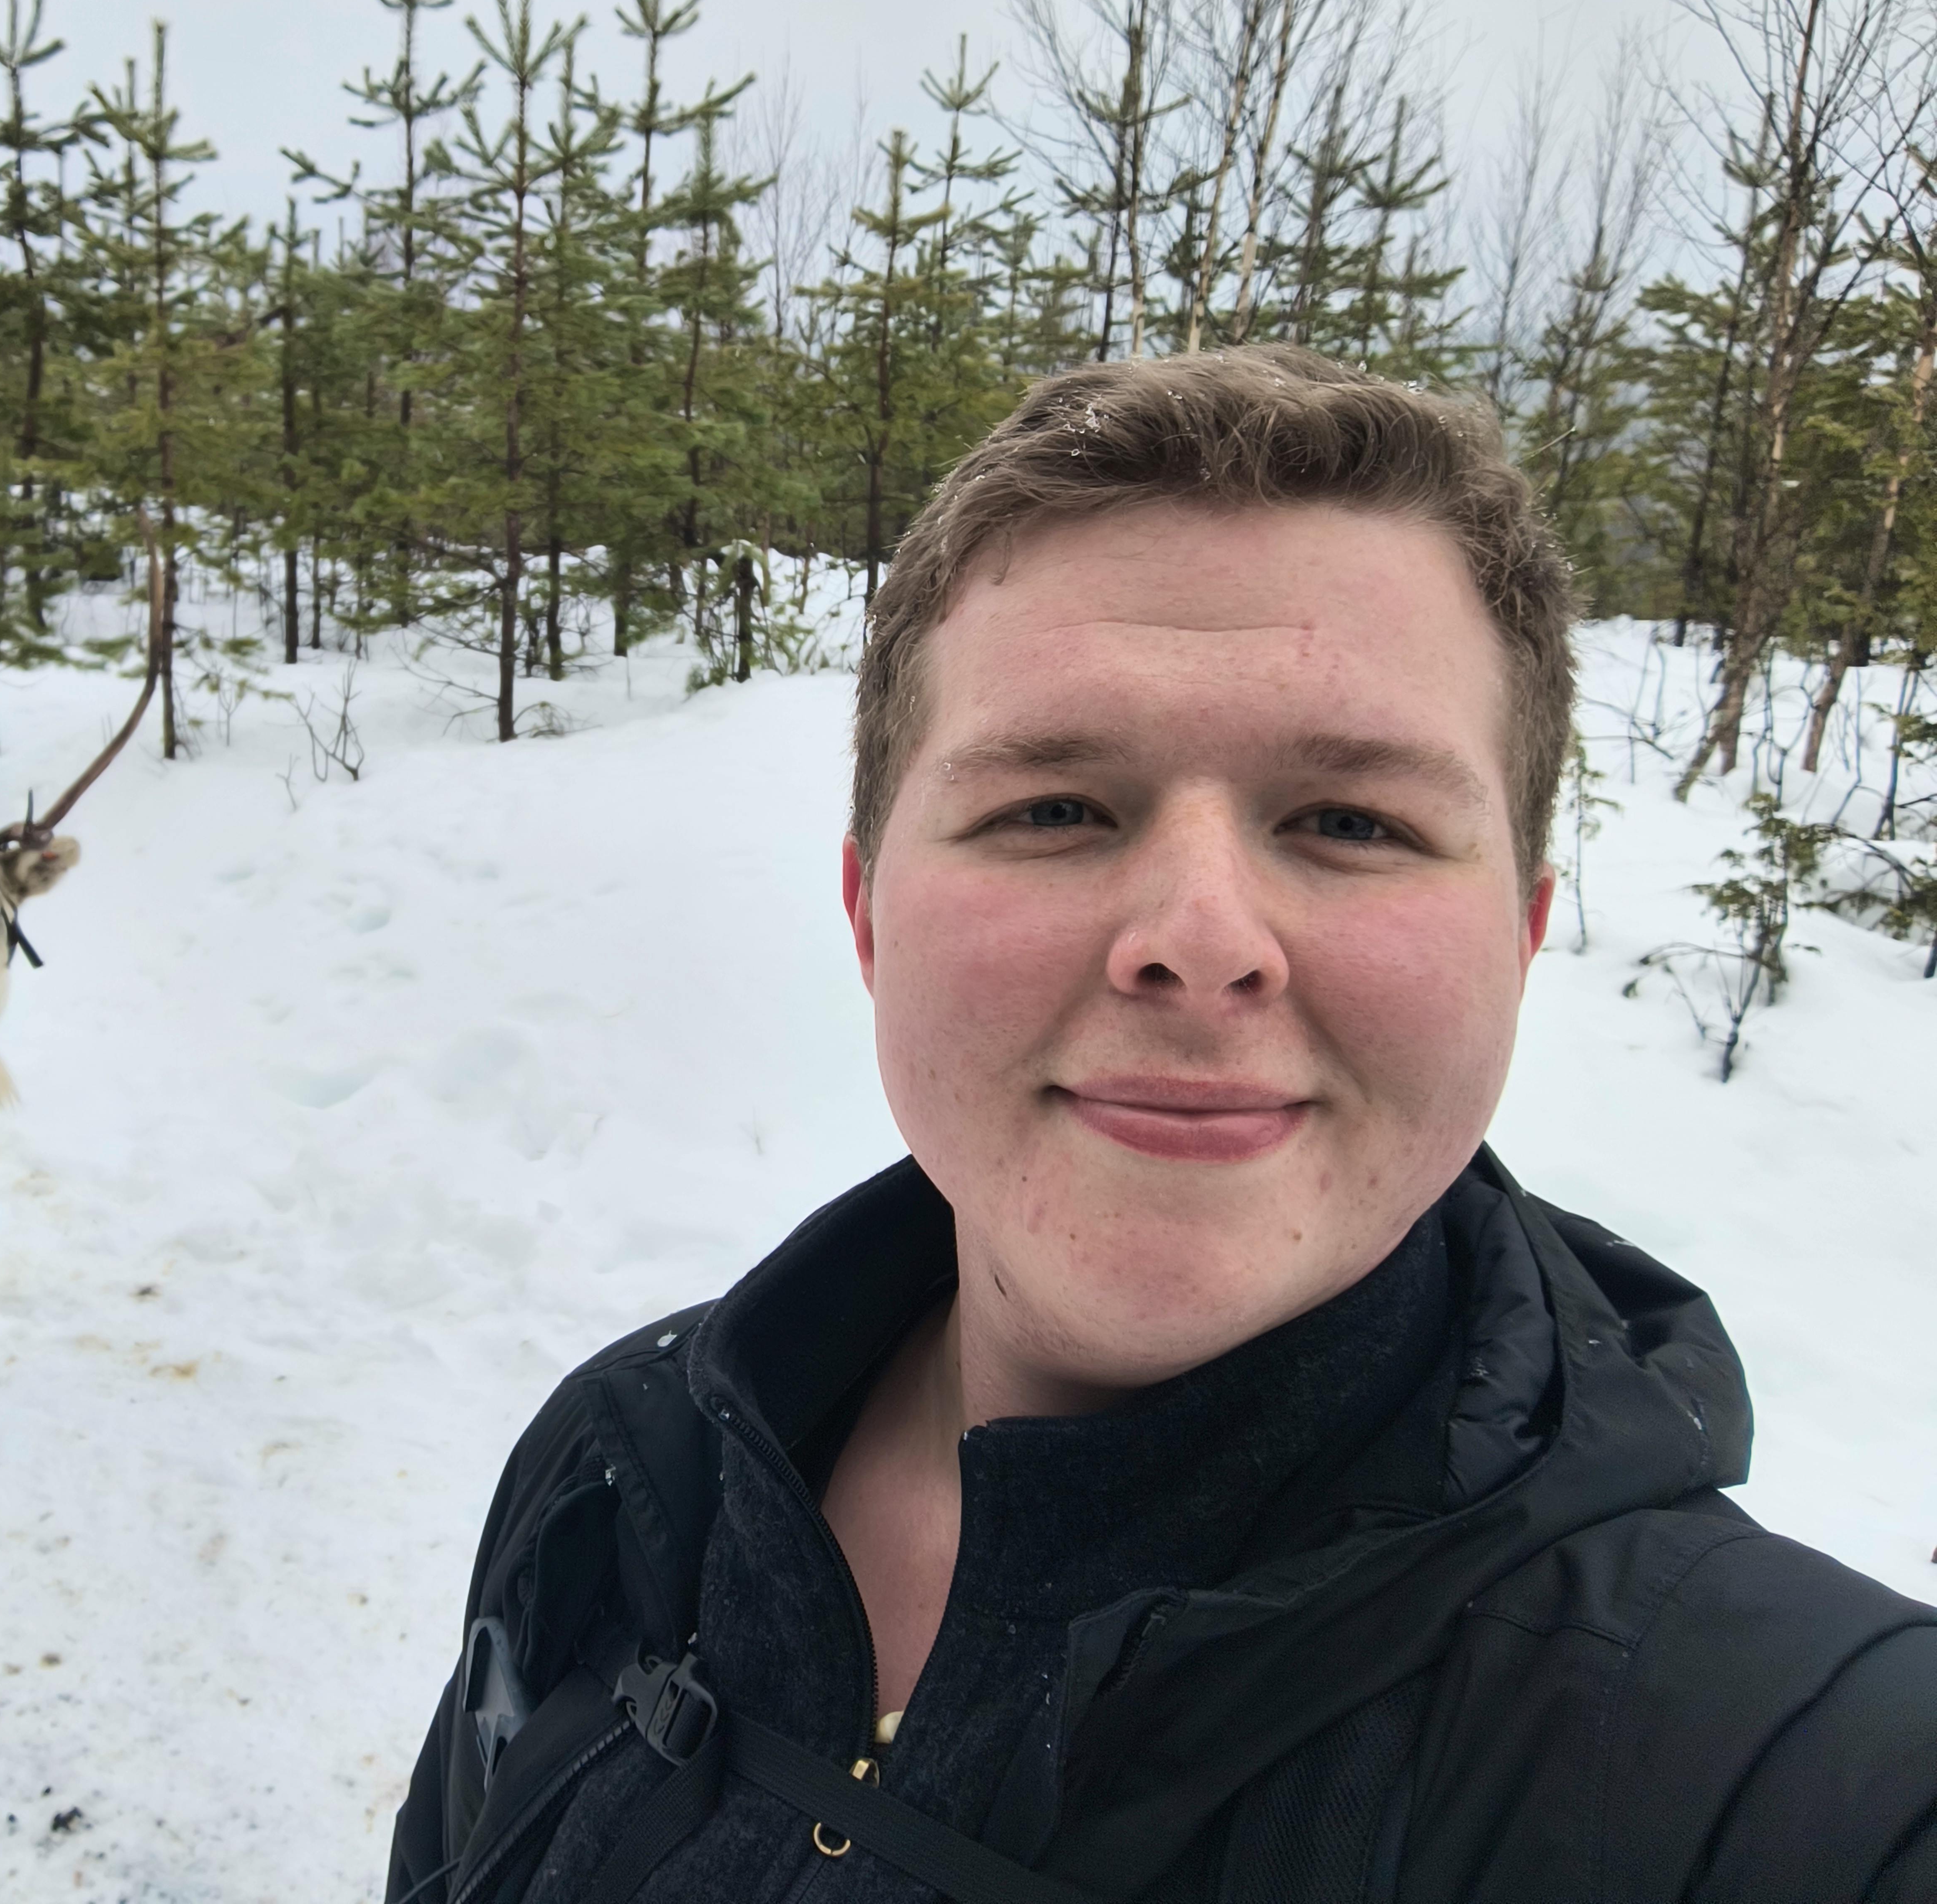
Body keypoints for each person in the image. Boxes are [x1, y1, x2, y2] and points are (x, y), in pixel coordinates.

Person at [384, 347, 1937, 1904]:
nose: (1200, 939)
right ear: (869, 914)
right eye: (1055, 809)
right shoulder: (630, 1469)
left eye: (1352, 823)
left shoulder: (1798, 1784)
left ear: (1520, 943)